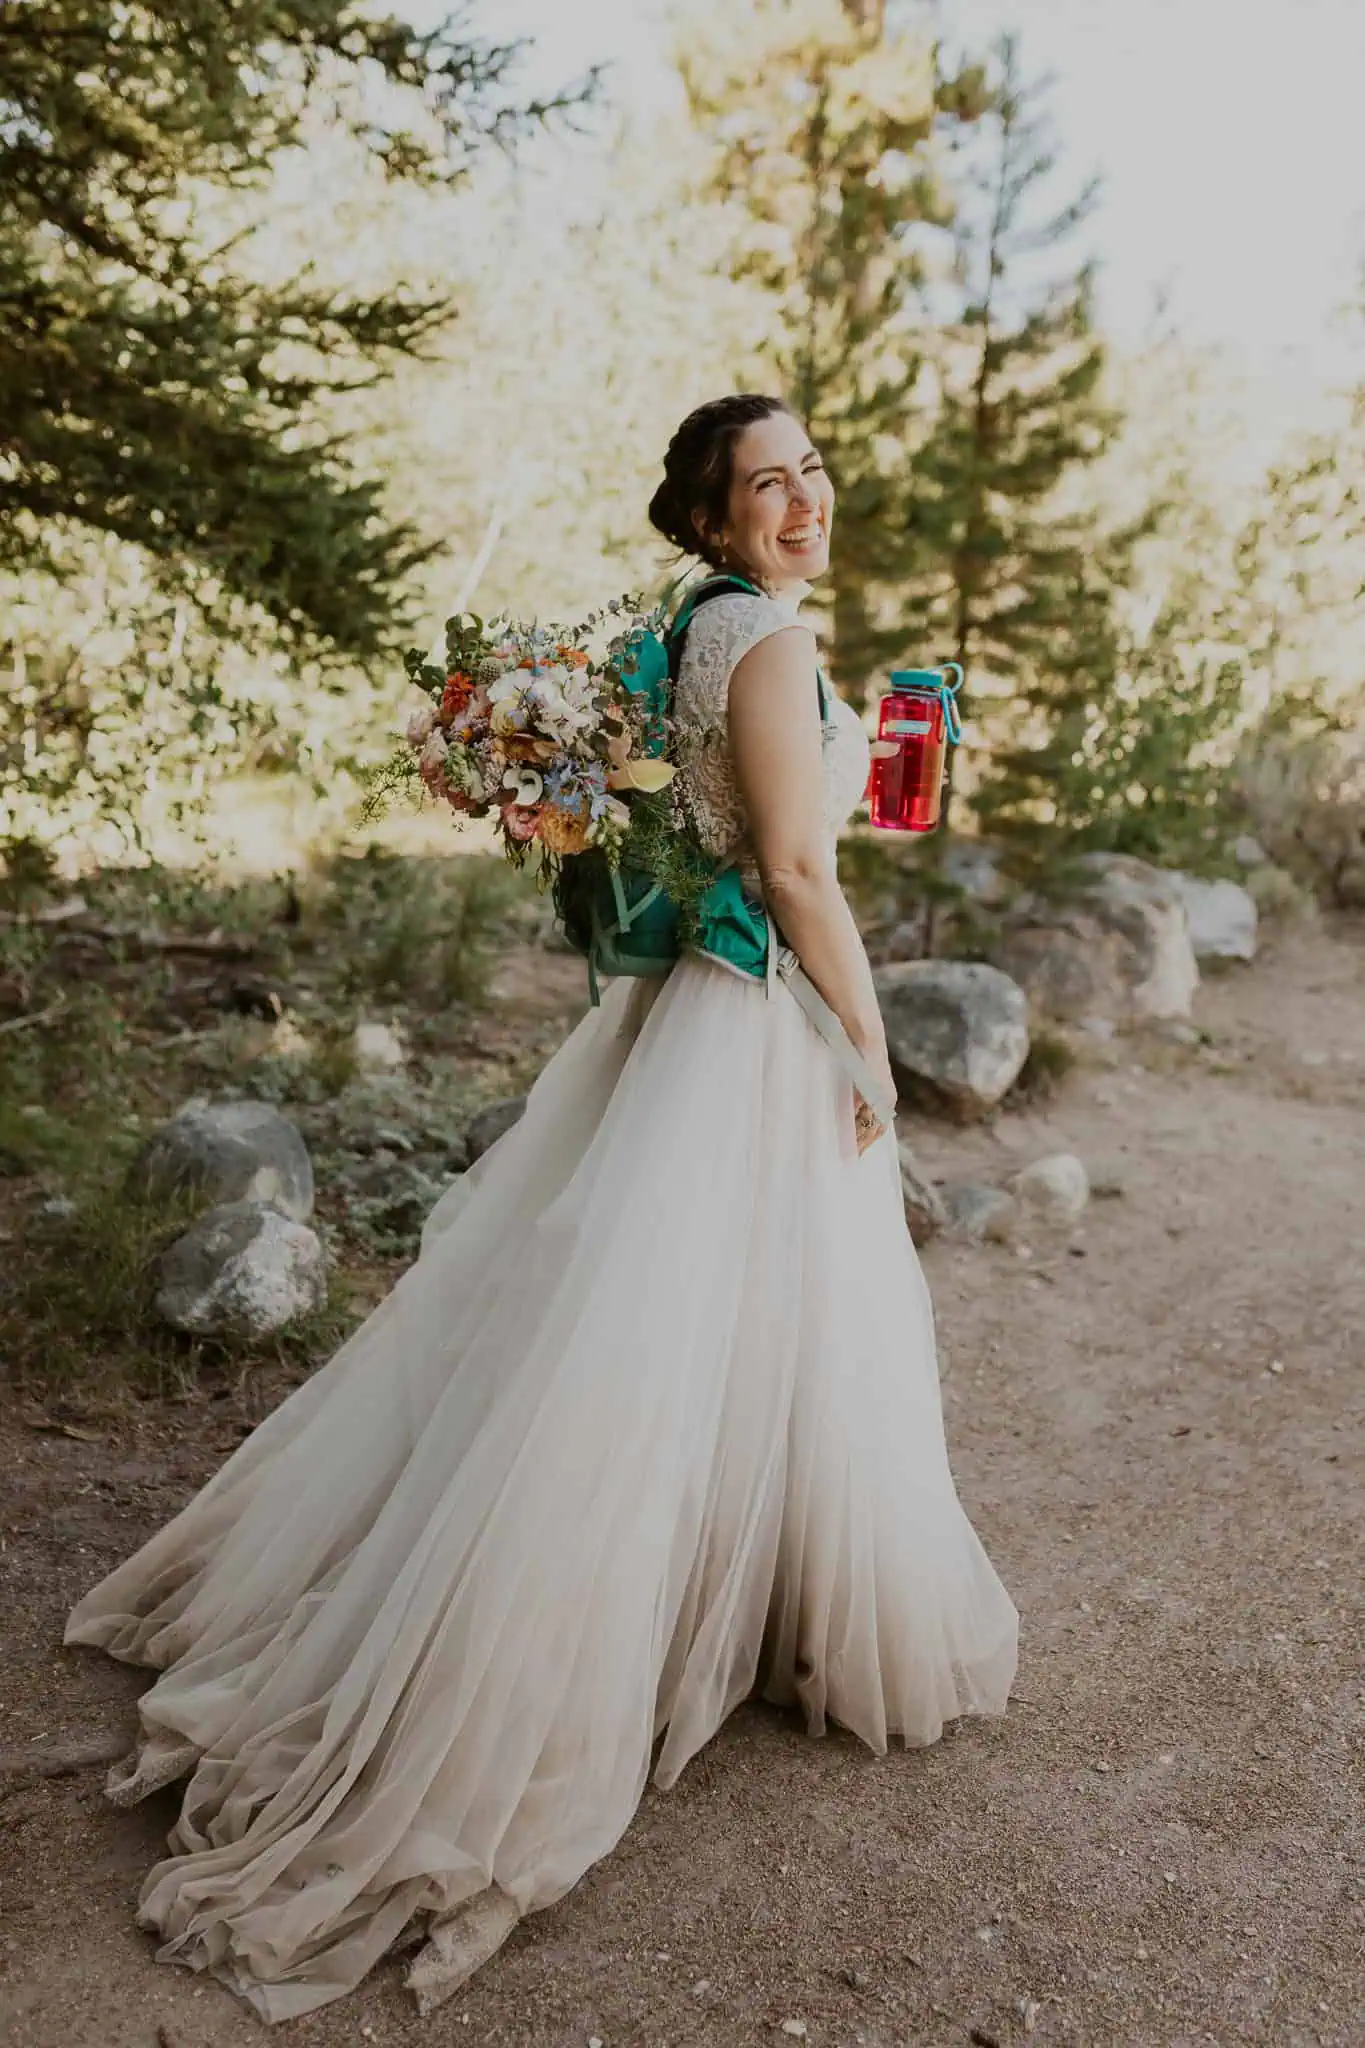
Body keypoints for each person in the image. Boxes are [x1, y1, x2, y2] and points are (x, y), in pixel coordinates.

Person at [64, 393, 1019, 2024]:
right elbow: (795, 868)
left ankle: (744, 1597)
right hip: (756, 1014)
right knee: (696, 1336)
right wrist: (867, 1036)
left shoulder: (694, 625)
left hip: (686, 1022)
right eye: (762, 485)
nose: (800, 499)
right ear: (714, 520)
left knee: (653, 1325)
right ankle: (555, 1670)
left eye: (810, 470)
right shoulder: (770, 644)